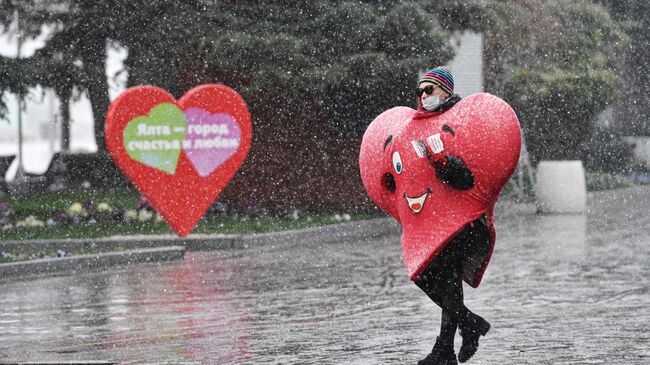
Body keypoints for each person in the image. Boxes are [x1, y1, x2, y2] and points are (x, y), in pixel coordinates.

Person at [412, 67, 491, 365]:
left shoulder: (459, 121)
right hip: (435, 220)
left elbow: (468, 178)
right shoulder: (419, 125)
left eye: (428, 90)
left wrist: (443, 163)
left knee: (445, 275)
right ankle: (468, 326)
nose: (423, 96)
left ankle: (445, 348)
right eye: (419, 91)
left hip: (465, 221)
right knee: (426, 274)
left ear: (445, 91)